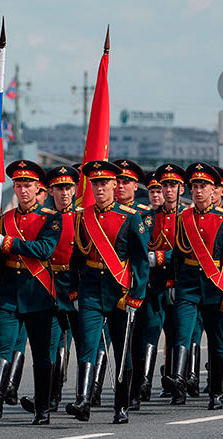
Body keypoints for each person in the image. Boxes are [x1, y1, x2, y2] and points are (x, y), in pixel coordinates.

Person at [0, 160, 61, 425]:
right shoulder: (5, 219)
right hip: (9, 294)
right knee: (3, 345)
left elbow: (44, 250)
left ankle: (43, 408)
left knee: (40, 354)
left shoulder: (51, 219)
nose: (22, 190)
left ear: (38, 188)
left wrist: (8, 242)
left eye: (27, 185)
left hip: (37, 293)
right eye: (18, 185)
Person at [66, 161, 149, 424]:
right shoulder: (84, 216)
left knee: (121, 351)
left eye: (104, 183)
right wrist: (73, 291)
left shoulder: (131, 217)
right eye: (95, 184)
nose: (99, 188)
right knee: (88, 346)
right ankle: (83, 400)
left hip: (120, 292)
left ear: (115, 184)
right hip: (90, 288)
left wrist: (137, 294)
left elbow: (140, 261)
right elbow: (76, 257)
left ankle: (121, 406)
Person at [162, 163, 223, 410]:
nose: (198, 191)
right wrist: (172, 281)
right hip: (187, 283)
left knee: (217, 342)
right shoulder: (183, 217)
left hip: (214, 286)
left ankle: (216, 392)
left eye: (203, 186)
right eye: (195, 186)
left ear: (213, 190)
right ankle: (178, 377)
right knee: (182, 333)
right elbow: (176, 254)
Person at [20, 165, 80, 415]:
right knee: (52, 344)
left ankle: (86, 395)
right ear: (51, 191)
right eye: (59, 188)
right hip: (48, 282)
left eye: (68, 188)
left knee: (85, 343)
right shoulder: (44, 218)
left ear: (75, 190)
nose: (64, 193)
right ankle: (49, 397)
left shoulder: (83, 218)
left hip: (75, 285)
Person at [132, 163, 184, 408]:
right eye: (165, 186)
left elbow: (189, 251)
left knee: (176, 335)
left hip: (179, 286)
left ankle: (176, 384)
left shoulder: (187, 217)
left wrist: (162, 257)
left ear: (180, 189)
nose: (168, 190)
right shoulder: (148, 218)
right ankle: (143, 384)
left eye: (173, 185)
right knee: (149, 335)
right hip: (154, 286)